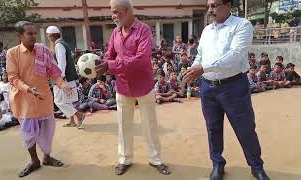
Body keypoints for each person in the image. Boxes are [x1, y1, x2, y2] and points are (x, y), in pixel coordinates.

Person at [183, 1, 270, 179]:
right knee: (213, 128)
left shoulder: (241, 25)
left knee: (245, 129)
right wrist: (193, 69)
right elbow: (200, 55)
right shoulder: (207, 30)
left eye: (214, 5)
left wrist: (204, 68)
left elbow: (236, 54)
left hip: (234, 86)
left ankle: (257, 167)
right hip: (208, 88)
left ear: (228, 5)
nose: (210, 10)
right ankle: (217, 163)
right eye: (208, 6)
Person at [95, 0, 170, 175]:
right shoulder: (115, 32)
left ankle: (155, 159)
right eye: (112, 12)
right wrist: (103, 61)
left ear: (127, 10)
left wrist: (110, 66)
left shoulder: (143, 30)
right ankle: (124, 159)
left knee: (149, 125)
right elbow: (110, 54)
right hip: (122, 86)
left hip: (143, 86)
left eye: (116, 12)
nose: (113, 16)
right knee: (123, 125)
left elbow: (141, 59)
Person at [6, 21, 74, 177]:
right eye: (29, 33)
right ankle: (34, 161)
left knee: (47, 132)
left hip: (43, 97)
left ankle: (47, 158)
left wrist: (62, 85)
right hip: (24, 101)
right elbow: (13, 78)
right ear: (19, 36)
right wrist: (28, 89)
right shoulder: (12, 53)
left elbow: (54, 71)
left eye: (35, 33)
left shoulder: (42, 50)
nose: (34, 36)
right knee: (28, 134)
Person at [46, 26, 86, 129]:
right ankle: (72, 121)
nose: (47, 38)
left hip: (64, 77)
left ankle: (79, 115)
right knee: (68, 100)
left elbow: (61, 63)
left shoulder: (58, 45)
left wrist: (60, 78)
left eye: (47, 36)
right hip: (68, 76)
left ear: (51, 36)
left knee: (58, 101)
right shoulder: (63, 43)